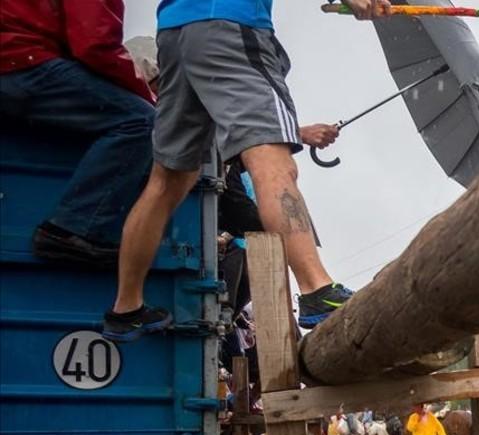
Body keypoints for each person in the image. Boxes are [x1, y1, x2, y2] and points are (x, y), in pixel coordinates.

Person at [101, 0, 387, 342]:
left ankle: (126, 306)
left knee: (167, 181)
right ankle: (316, 290)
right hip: (231, 23)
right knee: (273, 163)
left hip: (174, 34)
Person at [1, 1, 155, 266]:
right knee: (142, 121)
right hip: (22, 62)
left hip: (15, 57)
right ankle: (74, 228)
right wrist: (148, 98)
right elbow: (96, 44)